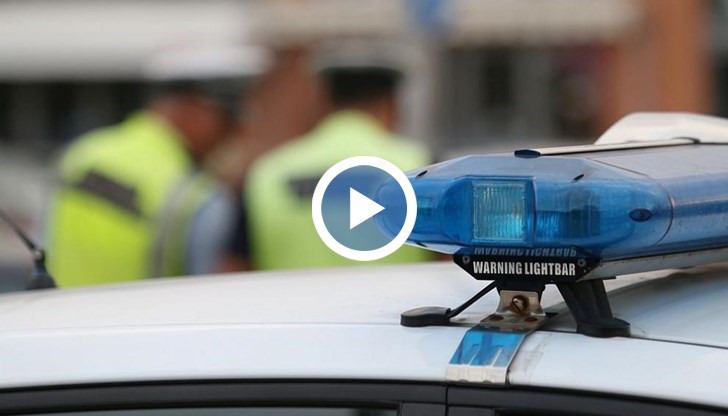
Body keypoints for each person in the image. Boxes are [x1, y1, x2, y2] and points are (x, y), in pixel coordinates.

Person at [46, 46, 270, 286]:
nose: (234, 136)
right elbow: (210, 294)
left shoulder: (81, 154)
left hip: (62, 309)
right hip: (147, 312)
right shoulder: (196, 195)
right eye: (228, 121)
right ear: (196, 108)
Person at [226, 41, 433, 271]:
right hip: (395, 296)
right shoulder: (424, 168)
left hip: (291, 296)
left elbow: (233, 270)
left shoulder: (267, 172)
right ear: (391, 104)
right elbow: (449, 264)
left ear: (323, 103)